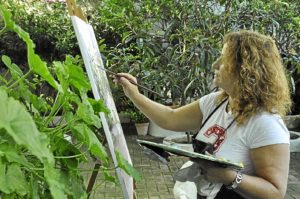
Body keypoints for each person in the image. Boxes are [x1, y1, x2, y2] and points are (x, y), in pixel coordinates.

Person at [114, 30, 292, 199]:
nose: (215, 64)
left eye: (223, 60)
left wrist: (230, 177)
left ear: (244, 70)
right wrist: (133, 94)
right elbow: (170, 118)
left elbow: (275, 192)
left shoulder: (265, 123)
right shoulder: (217, 102)